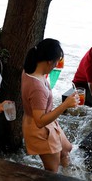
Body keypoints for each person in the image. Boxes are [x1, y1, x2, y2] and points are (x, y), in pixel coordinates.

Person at [21, 38, 79, 173]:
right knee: (51, 171)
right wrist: (65, 105)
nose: (57, 65)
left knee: (66, 149)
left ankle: (69, 178)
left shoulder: (29, 69)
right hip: (40, 130)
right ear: (48, 61)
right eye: (57, 61)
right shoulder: (37, 87)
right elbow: (40, 121)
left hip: (47, 122)